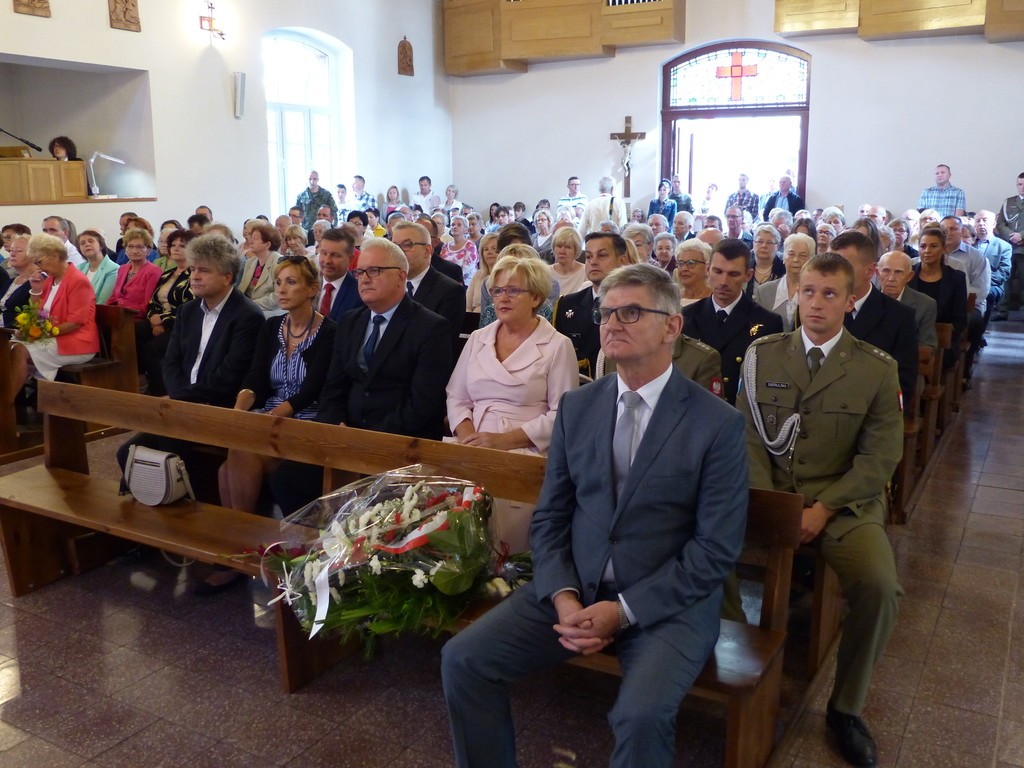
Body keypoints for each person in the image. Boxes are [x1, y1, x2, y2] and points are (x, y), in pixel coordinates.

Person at [442, 262, 747, 768]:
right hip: (577, 587)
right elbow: (551, 516)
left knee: (640, 716)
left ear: (672, 326)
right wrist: (563, 595)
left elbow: (715, 550)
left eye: (631, 313)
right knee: (464, 659)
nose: (612, 324)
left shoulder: (716, 424)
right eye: (606, 313)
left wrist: (623, 611)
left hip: (667, 603)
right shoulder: (579, 407)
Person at [739, 252, 902, 768]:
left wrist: (824, 508)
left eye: (830, 294)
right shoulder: (763, 355)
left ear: (850, 301)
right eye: (808, 291)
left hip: (843, 503)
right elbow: (747, 438)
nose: (816, 304)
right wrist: (772, 506)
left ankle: (845, 709)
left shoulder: (876, 368)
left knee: (879, 587)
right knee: (699, 549)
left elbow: (879, 459)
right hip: (771, 495)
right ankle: (725, 665)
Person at [268, 237, 454, 514]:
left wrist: (367, 439)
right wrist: (335, 425)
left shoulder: (430, 327)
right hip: (346, 434)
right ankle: (315, 541)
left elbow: (423, 404)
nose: (364, 279)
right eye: (360, 272)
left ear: (401, 276)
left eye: (374, 271)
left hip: (400, 441)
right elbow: (333, 387)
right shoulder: (351, 321)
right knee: (287, 478)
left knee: (372, 500)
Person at [447, 252, 578, 551]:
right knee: (463, 541)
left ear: (536, 297)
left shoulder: (558, 345)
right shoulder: (478, 338)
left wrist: (502, 441)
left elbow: (562, 414)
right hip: (472, 448)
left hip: (525, 455)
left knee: (508, 547)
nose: (503, 298)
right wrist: (468, 439)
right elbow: (456, 395)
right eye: (497, 290)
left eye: (514, 290)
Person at [116, 234, 264, 475]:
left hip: (218, 406)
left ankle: (186, 496)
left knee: (168, 453)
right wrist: (179, 397)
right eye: (193, 269)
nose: (194, 276)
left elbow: (230, 375)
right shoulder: (188, 310)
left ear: (227, 277)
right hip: (183, 404)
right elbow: (170, 361)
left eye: (204, 270)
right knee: (126, 454)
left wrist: (181, 398)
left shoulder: (247, 315)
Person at [217, 256, 337, 526]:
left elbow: (311, 390)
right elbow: (256, 377)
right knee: (228, 464)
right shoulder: (271, 327)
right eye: (279, 282)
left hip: (304, 420)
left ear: (312, 289)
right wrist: (239, 410)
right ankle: (241, 536)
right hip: (268, 416)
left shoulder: (329, 332)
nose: (281, 289)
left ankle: (239, 535)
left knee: (236, 456)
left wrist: (269, 418)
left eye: (291, 282)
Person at [682, 238, 783, 405]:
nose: (723, 282)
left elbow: (768, 381)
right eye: (718, 271)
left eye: (733, 274)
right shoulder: (687, 316)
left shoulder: (767, 322)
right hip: (694, 408)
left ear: (748, 275)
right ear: (708, 269)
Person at [6, 234, 98, 402]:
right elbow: (38, 314)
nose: (37, 267)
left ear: (55, 256)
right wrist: (35, 291)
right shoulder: (50, 281)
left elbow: (75, 323)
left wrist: (40, 334)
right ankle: (14, 403)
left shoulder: (78, 281)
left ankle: (5, 405)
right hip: (52, 336)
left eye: (39, 261)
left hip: (77, 341)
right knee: (7, 347)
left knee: (20, 350)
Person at [831, 230, 919, 402]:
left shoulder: (899, 317)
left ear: (870, 271)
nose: (835, 273)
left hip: (868, 409)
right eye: (831, 265)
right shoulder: (820, 308)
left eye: (845, 266)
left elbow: (902, 384)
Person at [553, 232, 633, 379]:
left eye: (602, 255)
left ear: (622, 261)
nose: (593, 262)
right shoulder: (566, 304)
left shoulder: (635, 308)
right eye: (589, 256)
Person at [137, 229, 196, 396]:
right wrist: (153, 320)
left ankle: (161, 391)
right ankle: (140, 379)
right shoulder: (167, 274)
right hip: (159, 321)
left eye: (182, 245)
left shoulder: (194, 274)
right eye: (173, 245)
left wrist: (163, 321)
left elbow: (190, 306)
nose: (175, 248)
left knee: (153, 348)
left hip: (183, 325)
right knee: (135, 331)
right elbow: (153, 301)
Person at [394, 220, 465, 346]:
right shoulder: (388, 286)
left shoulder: (450, 291)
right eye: (394, 247)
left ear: (427, 250)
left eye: (407, 245)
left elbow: (441, 343)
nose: (399, 252)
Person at [908, 226, 968, 370]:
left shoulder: (956, 278)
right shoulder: (908, 275)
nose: (927, 251)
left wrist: (938, 335)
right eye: (923, 246)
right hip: (909, 338)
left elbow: (960, 319)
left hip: (943, 344)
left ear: (944, 249)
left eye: (933, 246)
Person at [878, 250, 938, 352]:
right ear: (877, 273)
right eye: (886, 271)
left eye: (898, 272)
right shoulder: (866, 298)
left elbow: (928, 347)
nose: (891, 278)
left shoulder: (925, 305)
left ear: (909, 276)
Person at [753, 232, 813, 332]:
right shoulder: (763, 291)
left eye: (802, 256)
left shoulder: (817, 294)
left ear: (811, 260)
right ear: (784, 257)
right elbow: (755, 330)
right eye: (791, 254)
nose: (796, 260)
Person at [107, 227, 162, 316]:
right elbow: (113, 298)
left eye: (139, 247)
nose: (134, 251)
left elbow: (147, 305)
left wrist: (122, 306)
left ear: (148, 250)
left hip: (136, 318)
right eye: (130, 246)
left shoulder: (154, 271)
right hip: (118, 316)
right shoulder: (122, 269)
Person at [972, 209, 1012, 324]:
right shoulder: (969, 244)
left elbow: (1004, 272)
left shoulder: (1004, 246)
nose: (981, 223)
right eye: (978, 221)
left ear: (993, 224)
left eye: (985, 220)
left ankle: (980, 327)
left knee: (986, 293)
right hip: (969, 282)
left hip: (993, 284)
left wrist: (982, 281)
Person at [994, 172, 1024, 320]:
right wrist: (1012, 236)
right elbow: (1000, 224)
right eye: (1020, 184)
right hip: (1009, 247)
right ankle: (1002, 311)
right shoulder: (1008, 202)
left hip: (1023, 248)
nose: (1022, 187)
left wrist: (1022, 236)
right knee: (1005, 280)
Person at [239, 221, 284, 313]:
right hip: (247, 308)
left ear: (267, 244)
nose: (250, 241)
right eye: (251, 237)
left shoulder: (279, 262)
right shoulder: (250, 262)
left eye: (255, 238)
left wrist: (250, 305)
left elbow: (278, 295)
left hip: (269, 312)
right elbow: (241, 289)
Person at [76, 229, 118, 303]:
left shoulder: (113, 269)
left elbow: (103, 301)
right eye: (82, 243)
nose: (87, 244)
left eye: (91, 241)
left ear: (101, 245)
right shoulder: (79, 268)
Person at [0, 235, 33, 327]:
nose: (12, 254)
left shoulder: (37, 281)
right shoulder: (10, 282)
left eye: (19, 251)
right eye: (11, 250)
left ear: (34, 255)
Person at [548, 226, 587, 296]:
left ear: (576, 250)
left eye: (568, 247)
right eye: (559, 246)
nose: (562, 251)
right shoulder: (545, 272)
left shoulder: (586, 272)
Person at [747, 223, 785, 295]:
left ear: (777, 246)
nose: (764, 245)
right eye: (760, 241)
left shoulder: (783, 269)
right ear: (753, 243)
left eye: (769, 242)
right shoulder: (744, 266)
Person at [673, 239, 712, 307]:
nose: (684, 268)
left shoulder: (716, 299)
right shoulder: (672, 298)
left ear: (707, 267)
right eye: (681, 263)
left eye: (691, 263)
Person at [441, 214, 478, 285]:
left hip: (465, 284)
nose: (455, 227)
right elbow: (441, 266)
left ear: (465, 229)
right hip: (446, 282)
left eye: (459, 225)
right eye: (453, 225)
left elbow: (467, 270)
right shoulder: (445, 246)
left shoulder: (470, 246)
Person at [466, 233, 498, 313]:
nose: (489, 252)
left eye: (494, 248)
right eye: (486, 249)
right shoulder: (477, 276)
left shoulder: (506, 277)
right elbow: (467, 306)